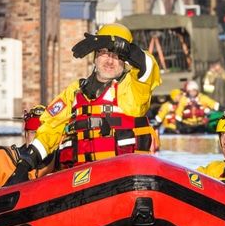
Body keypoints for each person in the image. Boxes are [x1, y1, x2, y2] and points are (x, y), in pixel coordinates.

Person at [13, 23, 161, 176]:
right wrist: (26, 162)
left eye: (118, 56)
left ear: (126, 61)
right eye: (104, 52)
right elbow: (50, 129)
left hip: (124, 174)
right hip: (79, 178)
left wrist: (111, 43)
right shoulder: (74, 91)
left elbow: (149, 66)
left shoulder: (133, 87)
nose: (110, 61)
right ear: (94, 56)